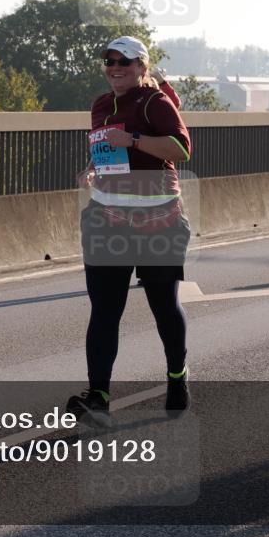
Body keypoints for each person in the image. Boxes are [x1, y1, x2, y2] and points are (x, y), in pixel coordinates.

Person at [67, 36, 192, 423]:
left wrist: (133, 139)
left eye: (125, 61)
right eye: (110, 60)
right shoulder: (101, 105)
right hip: (108, 220)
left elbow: (181, 149)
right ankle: (98, 397)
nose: (116, 67)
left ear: (141, 67)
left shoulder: (155, 102)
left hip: (159, 223)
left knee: (163, 306)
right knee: (105, 311)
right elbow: (107, 151)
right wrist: (92, 169)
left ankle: (177, 375)